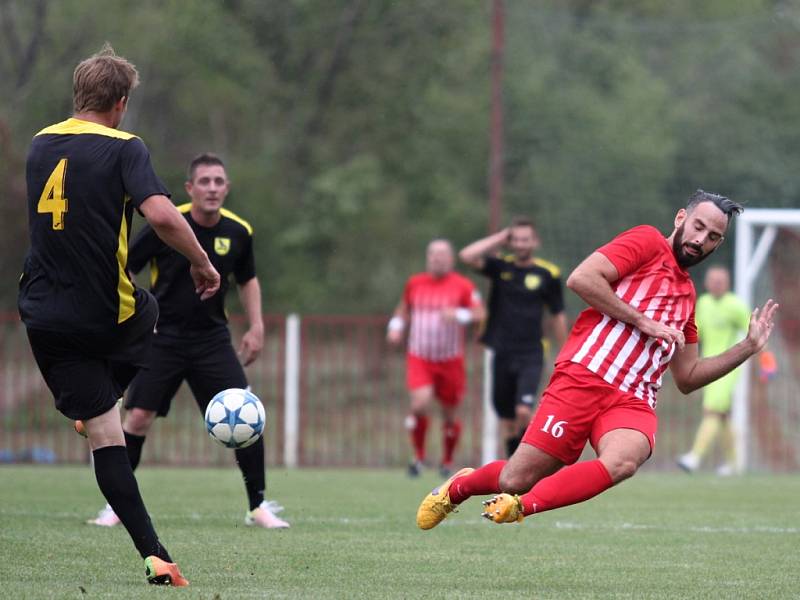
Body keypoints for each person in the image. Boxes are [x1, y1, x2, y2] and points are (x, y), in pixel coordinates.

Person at [416, 190, 778, 530]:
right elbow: (582, 278)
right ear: (681, 217)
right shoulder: (647, 242)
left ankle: (522, 507)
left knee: (624, 460)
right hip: (584, 378)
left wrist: (747, 347)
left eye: (713, 236)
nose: (700, 240)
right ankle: (458, 488)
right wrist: (642, 320)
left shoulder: (687, 299)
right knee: (516, 478)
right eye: (698, 226)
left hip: (633, 398)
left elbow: (687, 377)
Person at [18, 44, 220, 585]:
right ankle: (103, 399)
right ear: (121, 102)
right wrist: (200, 262)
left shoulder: (39, 144)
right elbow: (160, 214)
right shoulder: (125, 146)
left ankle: (157, 555)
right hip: (102, 312)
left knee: (106, 433)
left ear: (78, 94)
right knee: (150, 307)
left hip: (39, 312)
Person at [86, 153, 289, 529]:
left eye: (219, 182)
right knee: (138, 417)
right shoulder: (169, 223)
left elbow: (248, 280)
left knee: (245, 414)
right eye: (205, 181)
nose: (212, 188)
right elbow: (127, 266)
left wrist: (256, 325)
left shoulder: (239, 231)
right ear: (190, 188)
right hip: (163, 338)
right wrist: (137, 316)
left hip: (212, 339)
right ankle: (116, 507)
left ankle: (258, 505)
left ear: (227, 188)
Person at [459, 217, 568, 457]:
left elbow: (557, 314)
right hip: (501, 351)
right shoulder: (501, 268)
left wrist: (566, 352)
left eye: (525, 239)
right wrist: (500, 237)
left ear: (535, 242)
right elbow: (466, 255)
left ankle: (528, 459)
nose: (520, 244)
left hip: (531, 352)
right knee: (507, 420)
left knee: (523, 411)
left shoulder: (547, 273)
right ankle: (514, 470)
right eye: (516, 239)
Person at [387, 239, 485, 477]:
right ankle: (419, 457)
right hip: (420, 356)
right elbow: (403, 308)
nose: (437, 259)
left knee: (450, 412)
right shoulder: (415, 283)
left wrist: (460, 314)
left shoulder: (462, 285)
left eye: (442, 255)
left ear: (450, 259)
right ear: (427, 258)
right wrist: (396, 327)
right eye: (433, 255)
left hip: (450, 359)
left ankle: (447, 461)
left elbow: (480, 313)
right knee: (420, 403)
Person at [678, 266, 750, 475]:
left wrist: (766, 362)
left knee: (712, 410)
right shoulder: (703, 303)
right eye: (713, 280)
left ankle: (694, 457)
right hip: (706, 364)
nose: (717, 284)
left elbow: (753, 332)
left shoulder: (735, 305)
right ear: (707, 283)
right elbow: (696, 333)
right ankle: (734, 464)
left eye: (721, 280)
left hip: (729, 366)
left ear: (727, 283)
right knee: (722, 415)